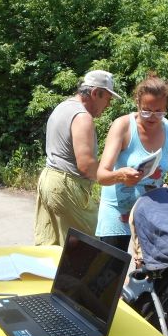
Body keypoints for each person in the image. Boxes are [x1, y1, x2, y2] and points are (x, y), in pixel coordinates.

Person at [96, 72, 168, 252]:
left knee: (151, 267)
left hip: (152, 212)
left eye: (159, 112)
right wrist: (121, 175)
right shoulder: (123, 126)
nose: (152, 116)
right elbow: (101, 176)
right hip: (117, 211)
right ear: (137, 103)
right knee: (111, 267)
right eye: (146, 110)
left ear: (166, 107)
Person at [34, 70, 121, 246]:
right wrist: (117, 175)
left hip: (48, 180)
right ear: (95, 93)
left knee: (52, 247)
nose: (108, 105)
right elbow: (86, 167)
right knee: (90, 248)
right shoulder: (82, 117)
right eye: (108, 99)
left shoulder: (63, 107)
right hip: (66, 186)